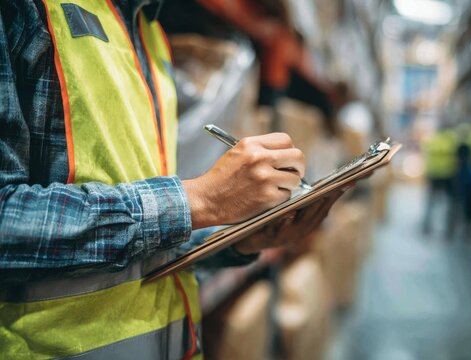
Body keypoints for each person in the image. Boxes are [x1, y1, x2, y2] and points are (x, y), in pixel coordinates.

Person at [0, 1, 350, 358]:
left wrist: (237, 239)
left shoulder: (150, 35)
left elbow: (146, 245)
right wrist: (200, 199)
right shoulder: (25, 10)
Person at [421, 128, 459, 237]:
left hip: (434, 175)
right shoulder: (451, 141)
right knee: (447, 203)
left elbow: (427, 156)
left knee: (431, 202)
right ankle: (448, 229)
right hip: (448, 176)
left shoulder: (433, 140)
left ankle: (427, 226)